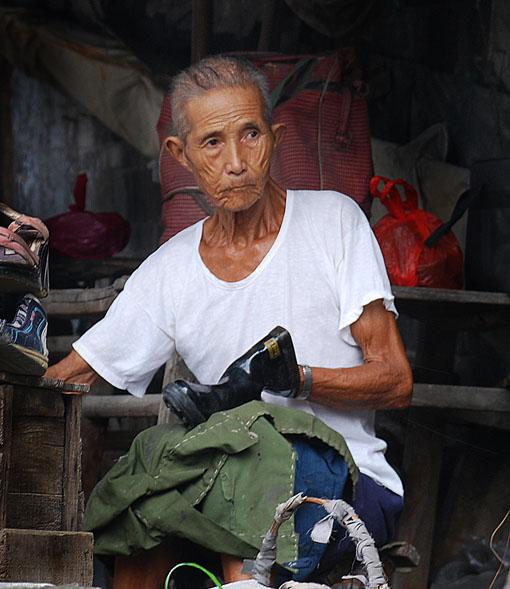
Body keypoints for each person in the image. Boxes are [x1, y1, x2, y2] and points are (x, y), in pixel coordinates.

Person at [45, 55, 413, 588]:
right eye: (213, 142)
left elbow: (397, 381)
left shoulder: (335, 222)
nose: (237, 161)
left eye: (250, 135)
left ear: (275, 137)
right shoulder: (170, 269)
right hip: (226, 484)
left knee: (248, 481)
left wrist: (295, 379)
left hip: (350, 481)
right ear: (181, 155)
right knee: (137, 498)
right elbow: (77, 373)